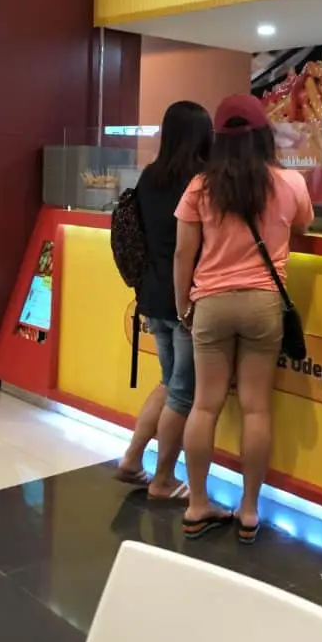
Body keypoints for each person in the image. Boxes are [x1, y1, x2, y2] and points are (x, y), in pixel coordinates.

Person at [174, 94, 313, 543]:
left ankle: (197, 504)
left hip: (211, 303)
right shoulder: (289, 182)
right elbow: (304, 227)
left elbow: (183, 253)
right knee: (255, 406)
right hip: (262, 303)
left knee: (205, 405)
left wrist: (183, 305)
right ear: (263, 135)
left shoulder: (200, 186)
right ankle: (249, 512)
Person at [116, 101, 213, 500]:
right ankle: (163, 479)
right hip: (186, 295)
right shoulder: (202, 182)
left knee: (169, 383)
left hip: (150, 294)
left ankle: (132, 458)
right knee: (182, 394)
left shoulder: (149, 176)